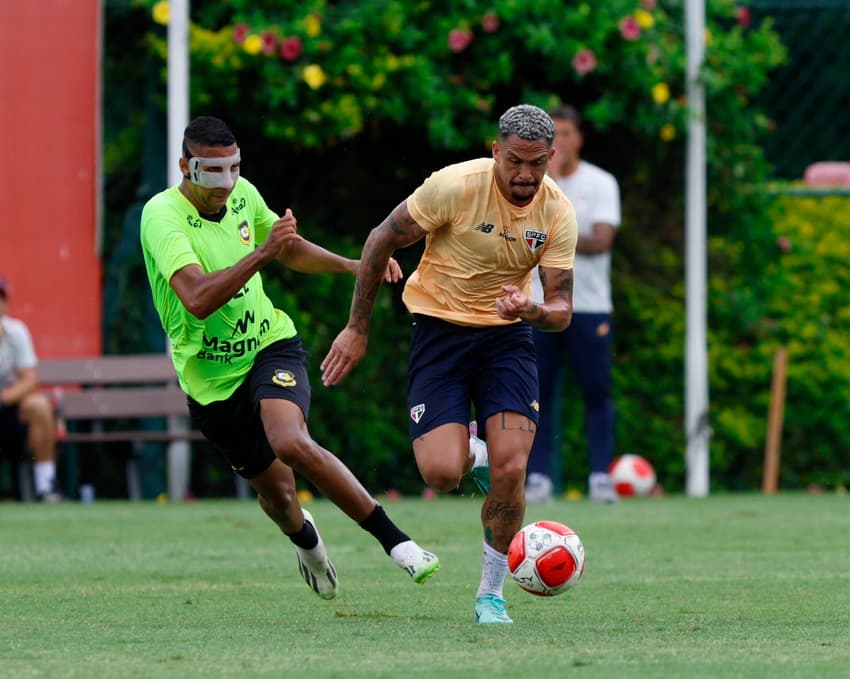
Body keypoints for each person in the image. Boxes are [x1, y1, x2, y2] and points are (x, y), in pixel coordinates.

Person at [139, 115, 440, 602]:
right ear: (185, 167)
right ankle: (309, 544)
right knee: (280, 498)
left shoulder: (241, 194)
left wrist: (354, 265)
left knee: (291, 441)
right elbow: (196, 297)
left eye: (234, 168)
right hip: (211, 382)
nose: (227, 182)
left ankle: (397, 543)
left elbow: (290, 250)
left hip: (269, 344)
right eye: (212, 172)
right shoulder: (161, 216)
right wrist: (264, 251)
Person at [321, 104, 578, 624]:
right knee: (441, 471)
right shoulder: (453, 187)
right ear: (495, 152)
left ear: (551, 157)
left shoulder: (556, 212)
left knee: (513, 468)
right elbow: (380, 240)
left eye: (537, 164)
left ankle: (490, 595)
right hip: (439, 332)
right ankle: (473, 456)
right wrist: (357, 327)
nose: (525, 175)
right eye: (514, 162)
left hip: (507, 340)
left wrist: (531, 310)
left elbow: (561, 311)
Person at [525, 105, 622, 505]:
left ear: (578, 137)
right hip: (537, 304)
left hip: (589, 306)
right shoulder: (530, 184)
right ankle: (538, 477)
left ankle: (601, 474)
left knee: (596, 392)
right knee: (536, 393)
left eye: (566, 133)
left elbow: (601, 241)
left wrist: (554, 237)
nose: (559, 141)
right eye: (553, 134)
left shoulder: (600, 183)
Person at [0, 277, 61, 502]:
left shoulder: (16, 332)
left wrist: (4, 398)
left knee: (39, 406)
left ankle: (46, 486)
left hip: (10, 412)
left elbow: (30, 379)